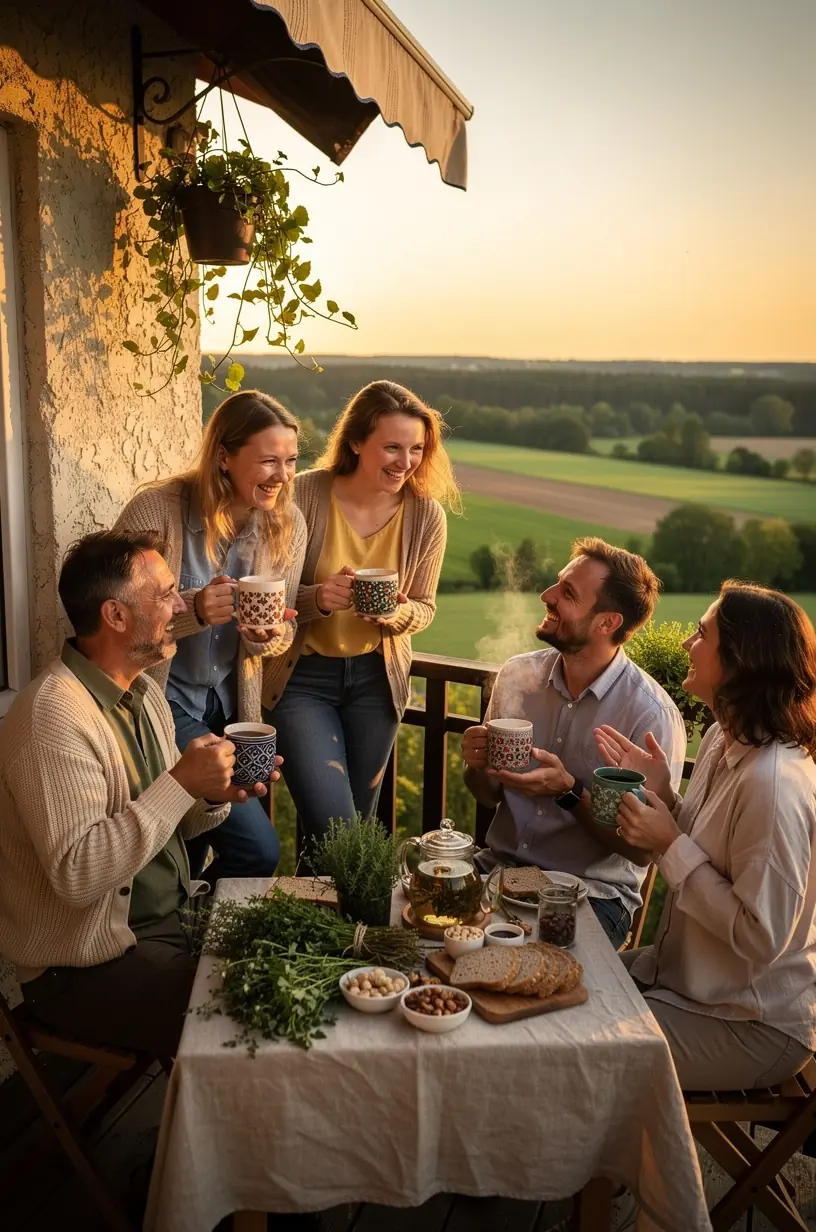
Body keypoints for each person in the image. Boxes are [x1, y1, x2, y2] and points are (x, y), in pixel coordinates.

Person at [0, 530, 279, 1060]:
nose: (181, 606)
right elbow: (77, 875)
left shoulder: (144, 692)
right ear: (116, 615)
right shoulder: (51, 718)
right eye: (166, 594)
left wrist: (213, 793)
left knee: (292, 954)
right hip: (83, 967)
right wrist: (180, 783)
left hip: (167, 924)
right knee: (253, 1022)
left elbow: (171, 821)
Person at [600, 582, 816, 1090]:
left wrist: (667, 842)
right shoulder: (723, 738)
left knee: (576, 1045)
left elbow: (762, 937)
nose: (686, 644)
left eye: (701, 634)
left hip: (749, 1021)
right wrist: (666, 798)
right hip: (687, 983)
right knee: (566, 982)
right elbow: (711, 850)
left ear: (740, 662)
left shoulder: (773, 785)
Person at [116, 390, 305, 885]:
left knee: (195, 839)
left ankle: (188, 925)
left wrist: (267, 636)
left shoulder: (288, 523)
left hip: (231, 709)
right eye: (268, 460)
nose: (283, 476)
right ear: (224, 456)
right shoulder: (156, 511)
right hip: (164, 702)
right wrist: (194, 611)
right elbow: (113, 617)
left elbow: (284, 627)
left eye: (290, 461)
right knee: (257, 850)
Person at [462, 538, 687, 949]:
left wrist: (568, 791)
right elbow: (486, 795)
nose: (547, 596)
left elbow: (641, 851)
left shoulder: (649, 715)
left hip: (594, 894)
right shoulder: (517, 675)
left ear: (607, 623)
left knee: (530, 966)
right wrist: (479, 766)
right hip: (498, 870)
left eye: (568, 593)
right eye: (557, 583)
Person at [264, 379, 459, 848]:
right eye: (392, 447)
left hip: (377, 681)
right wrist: (316, 599)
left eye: (416, 449)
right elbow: (267, 588)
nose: (405, 462)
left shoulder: (426, 515)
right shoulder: (304, 494)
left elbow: (424, 607)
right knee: (338, 831)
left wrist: (396, 616)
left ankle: (323, 899)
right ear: (355, 442)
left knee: (340, 834)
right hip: (302, 679)